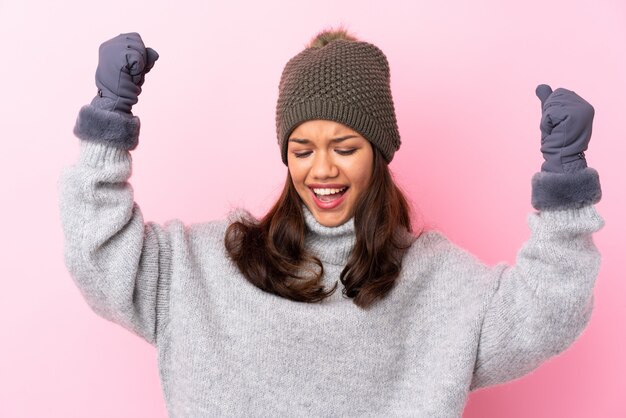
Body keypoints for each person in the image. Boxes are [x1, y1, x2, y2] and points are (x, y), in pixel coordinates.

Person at [59, 30, 603, 417]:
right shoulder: (203, 267)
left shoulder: (438, 285)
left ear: (379, 153)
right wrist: (109, 122)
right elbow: (100, 258)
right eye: (301, 149)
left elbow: (546, 312)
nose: (322, 169)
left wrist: (565, 186)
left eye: (344, 147)